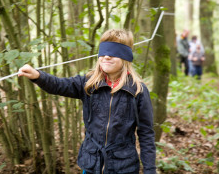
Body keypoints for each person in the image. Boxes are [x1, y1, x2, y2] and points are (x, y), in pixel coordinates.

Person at [18, 29, 156, 174]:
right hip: (92, 163)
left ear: (125, 56)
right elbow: (59, 85)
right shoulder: (89, 83)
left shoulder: (138, 90)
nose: (107, 56)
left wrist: (150, 170)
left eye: (114, 52)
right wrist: (38, 76)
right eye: (103, 52)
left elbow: (146, 133)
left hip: (122, 166)